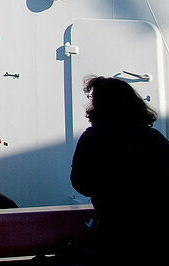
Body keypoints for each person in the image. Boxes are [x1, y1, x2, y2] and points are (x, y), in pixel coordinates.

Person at [71, 76, 169, 260]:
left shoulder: (93, 138)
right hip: (157, 231)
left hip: (115, 231)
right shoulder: (155, 138)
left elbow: (82, 184)